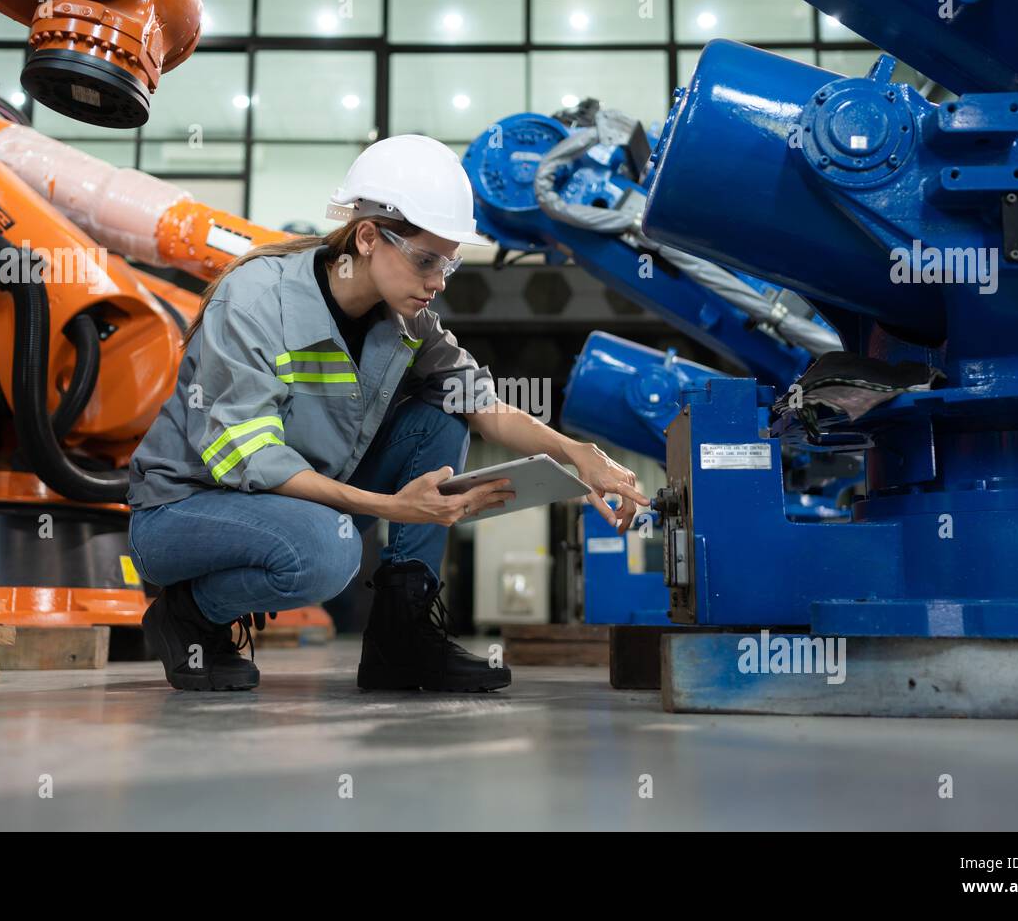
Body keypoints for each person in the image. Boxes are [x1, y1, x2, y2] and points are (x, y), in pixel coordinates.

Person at [126, 134, 648, 694]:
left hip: (290, 503)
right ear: (369, 237)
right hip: (186, 511)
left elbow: (478, 402)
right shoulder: (254, 301)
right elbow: (252, 460)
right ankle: (191, 612)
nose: (437, 283)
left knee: (443, 414)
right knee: (328, 551)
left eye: (448, 265)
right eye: (426, 260)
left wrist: (577, 458)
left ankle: (400, 636)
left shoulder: (406, 320)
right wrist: (392, 506)